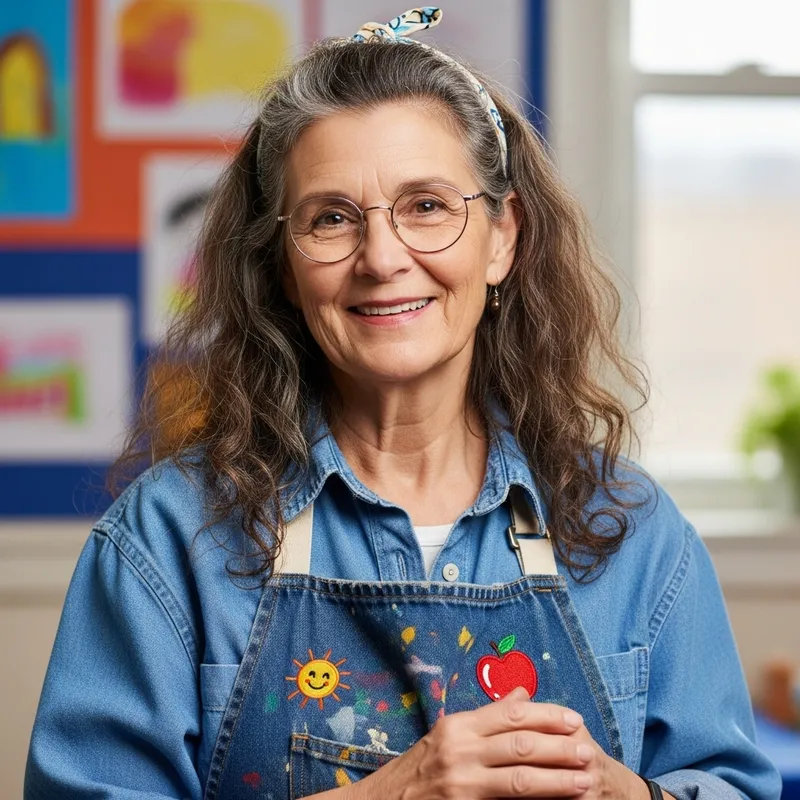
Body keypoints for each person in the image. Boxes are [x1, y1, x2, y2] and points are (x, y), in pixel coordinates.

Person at [25, 7, 780, 800]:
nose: (382, 258)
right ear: (283, 268)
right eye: (331, 219)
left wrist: (629, 795)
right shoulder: (170, 540)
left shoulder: (634, 536)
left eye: (426, 206)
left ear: (502, 238)